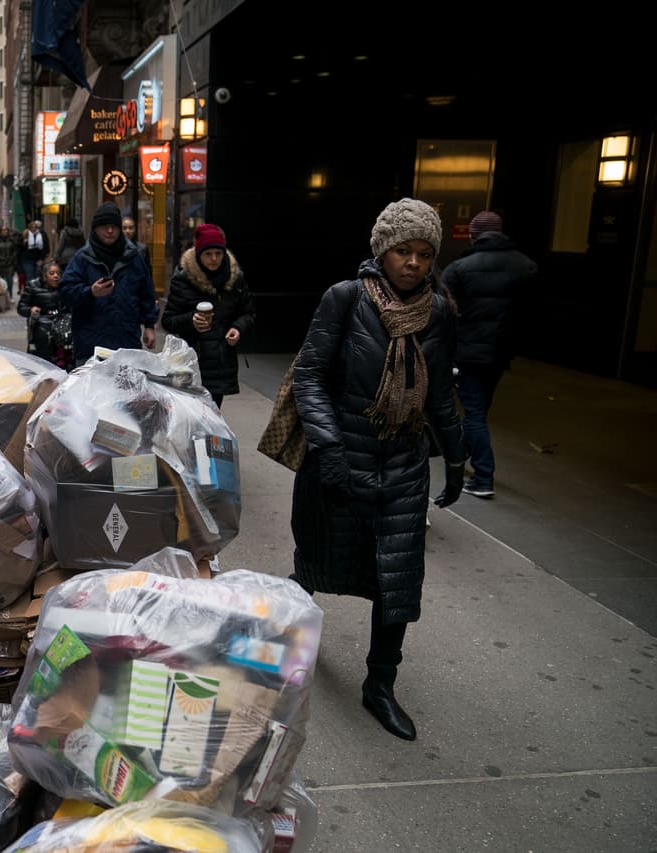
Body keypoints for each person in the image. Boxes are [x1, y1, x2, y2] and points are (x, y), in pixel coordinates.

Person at [288, 198, 464, 741]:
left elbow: (440, 393)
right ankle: (286, 650)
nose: (412, 263)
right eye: (402, 251)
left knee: (398, 581)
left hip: (405, 466)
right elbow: (309, 376)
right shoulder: (345, 299)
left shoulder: (439, 311)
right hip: (342, 457)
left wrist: (456, 455)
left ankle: (380, 686)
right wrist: (330, 449)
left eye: (424, 253)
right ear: (381, 251)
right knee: (317, 561)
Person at [441, 210, 538, 499]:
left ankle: (483, 476)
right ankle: (460, 454)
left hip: (468, 351)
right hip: (500, 353)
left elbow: (443, 312)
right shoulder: (527, 267)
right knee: (479, 409)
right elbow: (531, 313)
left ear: (474, 235)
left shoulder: (459, 268)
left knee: (473, 412)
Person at [160, 224, 257, 408]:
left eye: (218, 253)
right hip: (190, 363)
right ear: (198, 254)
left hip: (221, 364)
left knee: (213, 419)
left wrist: (238, 328)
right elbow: (168, 320)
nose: (214, 259)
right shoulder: (183, 279)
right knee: (190, 421)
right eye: (208, 254)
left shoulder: (235, 278)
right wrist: (191, 321)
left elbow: (248, 312)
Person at [58, 201, 159, 366]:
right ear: (95, 228)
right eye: (105, 226)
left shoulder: (133, 257)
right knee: (92, 392)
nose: (110, 231)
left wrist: (149, 325)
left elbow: (146, 292)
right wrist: (90, 292)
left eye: (114, 226)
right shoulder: (82, 258)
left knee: (127, 391)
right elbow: (65, 292)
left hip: (126, 343)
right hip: (91, 345)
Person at [18, 259, 72, 368]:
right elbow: (21, 307)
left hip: (61, 319)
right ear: (44, 276)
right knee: (43, 333)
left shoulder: (64, 286)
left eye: (58, 273)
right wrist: (31, 310)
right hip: (41, 320)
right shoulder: (33, 286)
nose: (56, 276)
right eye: (51, 273)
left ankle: (64, 360)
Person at [18, 220, 49, 293]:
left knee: (37, 276)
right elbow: (19, 248)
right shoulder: (25, 234)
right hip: (27, 259)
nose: (33, 229)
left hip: (38, 258)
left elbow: (46, 247)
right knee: (30, 276)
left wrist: (42, 259)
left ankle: (36, 292)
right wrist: (24, 243)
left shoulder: (41, 234)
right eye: (31, 227)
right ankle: (30, 292)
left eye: (35, 227)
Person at [0, 225, 20, 298]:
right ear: (0, 232)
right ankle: (4, 296)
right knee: (1, 281)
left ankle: (10, 295)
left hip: (10, 263)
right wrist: (0, 258)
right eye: (3, 230)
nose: (5, 232)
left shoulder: (11, 240)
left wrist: (12, 258)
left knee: (10, 280)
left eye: (6, 230)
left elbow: (15, 250)